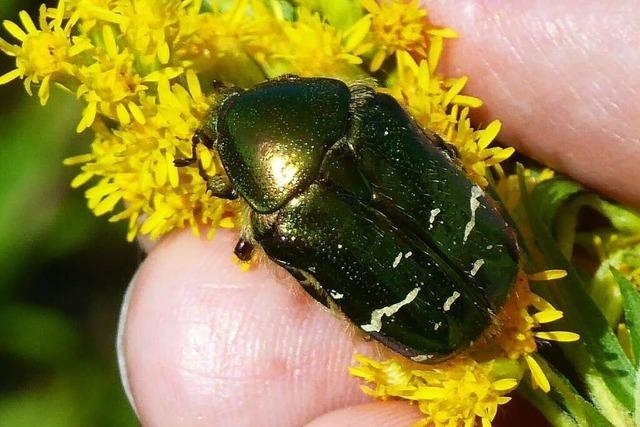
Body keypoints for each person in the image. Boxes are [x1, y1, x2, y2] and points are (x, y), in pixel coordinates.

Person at [116, 1, 640, 425]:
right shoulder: (367, 111)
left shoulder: (277, 221)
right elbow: (440, 149)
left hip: (441, 316)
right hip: (489, 264)